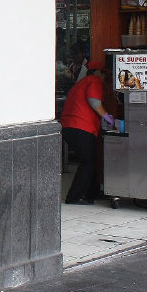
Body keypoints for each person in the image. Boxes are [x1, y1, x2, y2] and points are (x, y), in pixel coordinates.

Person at [60, 63, 114, 205]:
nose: (105, 80)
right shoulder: (94, 81)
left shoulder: (81, 83)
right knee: (88, 162)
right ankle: (74, 197)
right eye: (105, 75)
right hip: (80, 127)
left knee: (91, 160)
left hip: (71, 126)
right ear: (98, 72)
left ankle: (92, 193)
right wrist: (107, 117)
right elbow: (94, 101)